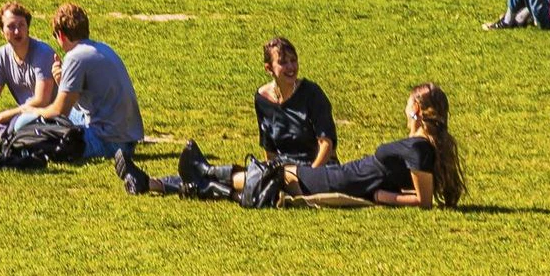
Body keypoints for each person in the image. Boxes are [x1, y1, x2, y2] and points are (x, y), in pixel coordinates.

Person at [174, 84, 467, 209]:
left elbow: (424, 200)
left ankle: (205, 173)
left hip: (345, 180)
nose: (403, 110)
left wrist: (385, 197)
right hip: (350, 175)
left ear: (416, 108)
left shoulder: (418, 147)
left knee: (279, 173)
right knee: (279, 176)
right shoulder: (422, 146)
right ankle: (204, 181)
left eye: (406, 105)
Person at [1, 3, 147, 191]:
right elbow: (85, 102)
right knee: (33, 121)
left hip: (108, 142)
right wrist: (63, 79)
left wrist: (33, 110)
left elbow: (60, 110)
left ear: (61, 35)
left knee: (24, 122)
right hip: (127, 138)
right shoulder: (102, 48)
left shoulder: (75, 57)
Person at [251, 37, 337, 165]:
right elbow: (270, 150)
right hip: (286, 168)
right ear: (268, 68)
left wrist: (308, 178)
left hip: (318, 168)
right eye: (283, 62)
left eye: (293, 60)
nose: (291, 67)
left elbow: (326, 145)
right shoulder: (262, 99)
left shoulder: (312, 93)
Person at [0, 2, 56, 113]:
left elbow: (42, 101)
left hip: (50, 117)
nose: (17, 31)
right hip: (25, 116)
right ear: (2, 31)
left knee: (16, 124)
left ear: (28, 27)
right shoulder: (1, 56)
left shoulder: (43, 53)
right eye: (11, 26)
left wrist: (2, 116)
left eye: (21, 25)